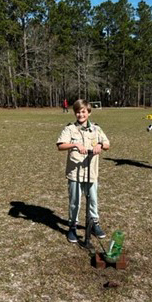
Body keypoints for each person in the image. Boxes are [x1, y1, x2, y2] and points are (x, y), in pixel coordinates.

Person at [56, 99, 111, 243]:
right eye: (78, 112)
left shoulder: (96, 129)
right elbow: (60, 145)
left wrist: (100, 145)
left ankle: (94, 224)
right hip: (75, 172)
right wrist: (74, 144)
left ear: (89, 112)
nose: (80, 115)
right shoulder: (70, 129)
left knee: (93, 199)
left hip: (91, 172)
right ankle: (72, 226)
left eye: (83, 112)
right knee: (75, 202)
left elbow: (107, 144)